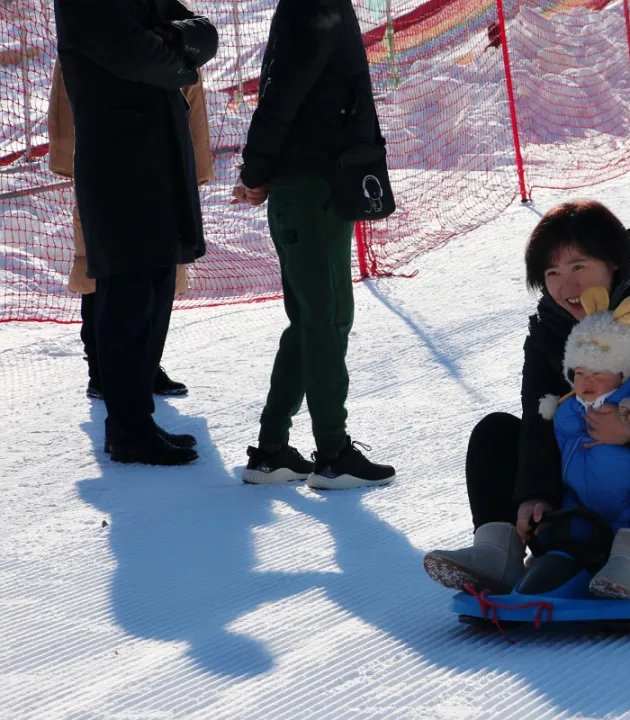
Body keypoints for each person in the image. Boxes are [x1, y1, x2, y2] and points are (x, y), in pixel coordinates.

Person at [423, 199, 630, 599]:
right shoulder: (550, 326)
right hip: (585, 501)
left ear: (613, 263)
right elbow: (538, 412)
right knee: (496, 431)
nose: (566, 288)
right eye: (552, 273)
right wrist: (534, 495)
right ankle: (496, 555)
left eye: (579, 268)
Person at [233, 0, 396, 489]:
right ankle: (333, 453)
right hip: (310, 186)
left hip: (318, 182)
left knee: (311, 320)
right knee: (326, 320)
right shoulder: (314, 6)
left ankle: (273, 451)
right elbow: (281, 97)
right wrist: (256, 171)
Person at [53, 0, 217, 465]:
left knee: (154, 292)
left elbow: (206, 33)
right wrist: (176, 56)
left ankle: (140, 420)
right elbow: (134, 57)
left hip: (158, 162)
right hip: (119, 168)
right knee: (126, 302)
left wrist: (167, 43)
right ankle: (127, 429)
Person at [47, 61, 212, 401]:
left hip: (160, 164)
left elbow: (191, 92)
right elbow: (67, 93)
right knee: (98, 270)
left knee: (156, 271)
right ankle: (100, 370)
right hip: (102, 166)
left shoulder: (167, 22)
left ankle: (146, 366)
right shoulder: (89, 25)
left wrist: (192, 161)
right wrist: (72, 157)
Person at [530, 286, 630, 598]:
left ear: (622, 370)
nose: (586, 382)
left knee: (627, 522)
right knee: (571, 526)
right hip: (583, 503)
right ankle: (561, 558)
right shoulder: (569, 408)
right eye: (580, 373)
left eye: (599, 373)